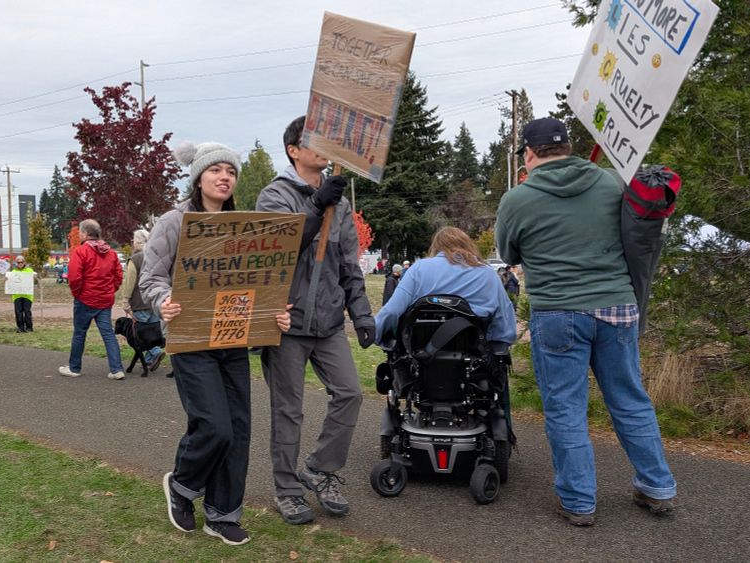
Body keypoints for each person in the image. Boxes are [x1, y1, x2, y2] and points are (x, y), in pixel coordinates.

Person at [495, 117, 676, 526]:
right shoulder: (612, 182)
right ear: (568, 147)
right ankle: (657, 486)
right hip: (617, 306)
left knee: (565, 408)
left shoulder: (518, 199)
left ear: (528, 153)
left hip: (558, 310)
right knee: (630, 400)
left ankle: (579, 501)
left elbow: (508, 251)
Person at [141, 140, 292, 546]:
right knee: (214, 426)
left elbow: (260, 281)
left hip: (234, 338)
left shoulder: (245, 226)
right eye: (216, 170)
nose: (224, 177)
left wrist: (275, 312)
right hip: (191, 337)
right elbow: (151, 277)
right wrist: (163, 302)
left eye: (231, 172)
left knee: (239, 430)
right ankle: (183, 485)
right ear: (198, 177)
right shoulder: (174, 222)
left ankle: (223, 514)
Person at [255, 116, 375, 525]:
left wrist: (361, 314)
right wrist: (315, 203)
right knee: (288, 410)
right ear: (293, 150)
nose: (326, 146)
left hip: (327, 323)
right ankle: (287, 489)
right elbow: (279, 249)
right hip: (285, 323)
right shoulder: (274, 195)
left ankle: (321, 469)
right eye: (315, 140)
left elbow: (349, 266)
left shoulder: (340, 204)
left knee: (350, 394)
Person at [375, 227, 516, 348]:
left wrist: (375, 333)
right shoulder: (486, 273)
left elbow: (393, 310)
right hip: (474, 358)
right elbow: (504, 319)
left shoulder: (418, 270)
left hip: (420, 358)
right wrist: (500, 343)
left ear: (436, 247)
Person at [58, 219, 124, 380]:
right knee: (108, 334)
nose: (79, 235)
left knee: (80, 333)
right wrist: (110, 290)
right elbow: (118, 276)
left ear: (85, 234)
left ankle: (74, 368)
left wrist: (78, 294)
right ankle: (117, 369)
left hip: (85, 300)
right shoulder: (111, 253)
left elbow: (74, 278)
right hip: (105, 300)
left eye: (80, 232)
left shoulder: (81, 252)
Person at [121, 229, 165, 370]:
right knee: (153, 332)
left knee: (140, 335)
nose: (132, 243)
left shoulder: (136, 259)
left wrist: (125, 300)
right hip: (155, 300)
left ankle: (155, 352)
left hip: (140, 303)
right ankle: (149, 359)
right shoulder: (157, 256)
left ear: (138, 242)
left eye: (133, 241)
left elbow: (130, 282)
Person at [7, 255, 38, 333]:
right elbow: (8, 282)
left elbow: (36, 280)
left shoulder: (30, 271)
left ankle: (29, 328)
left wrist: (35, 277)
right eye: (18, 262)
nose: (20, 263)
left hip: (27, 295)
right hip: (17, 295)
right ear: (16, 263)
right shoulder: (13, 272)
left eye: (22, 262)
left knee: (27, 311)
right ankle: (20, 328)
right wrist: (6, 279)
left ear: (24, 262)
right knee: (18, 312)